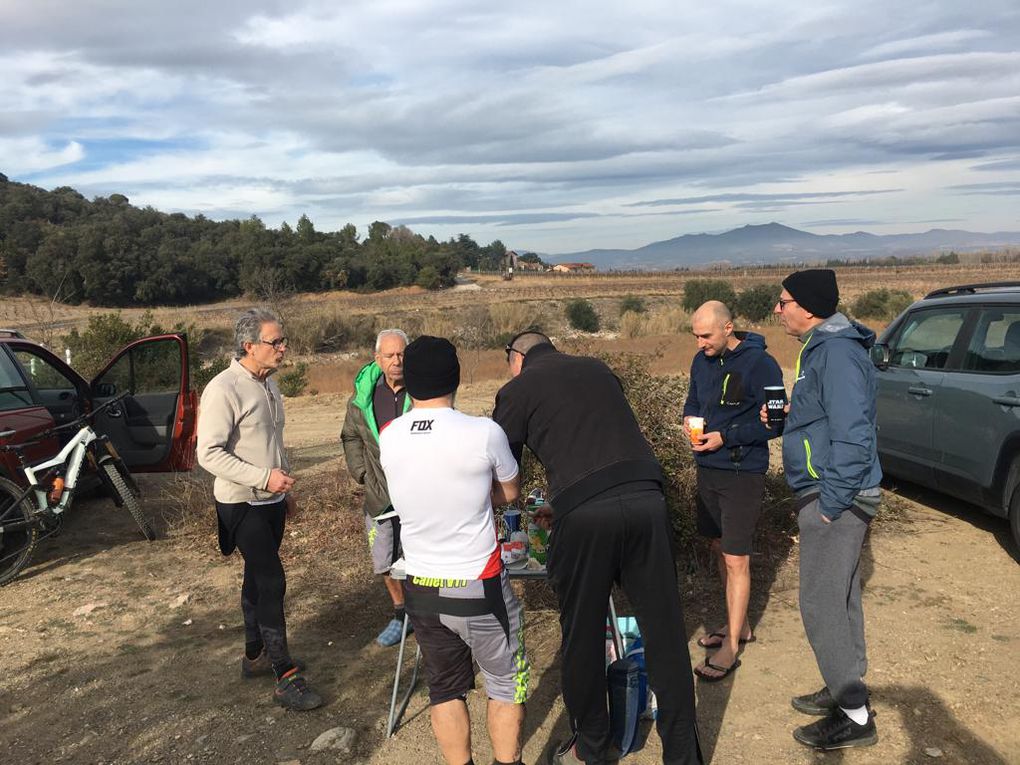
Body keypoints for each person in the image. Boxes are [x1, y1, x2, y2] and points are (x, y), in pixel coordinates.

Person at [493, 331, 702, 765]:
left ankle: (591, 748)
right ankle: (684, 755)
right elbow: (600, 441)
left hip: (586, 518)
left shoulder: (517, 389)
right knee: (665, 632)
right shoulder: (597, 369)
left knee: (583, 635)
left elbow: (503, 472)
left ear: (516, 358)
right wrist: (563, 498)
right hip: (647, 498)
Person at [379, 336, 527, 765]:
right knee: (505, 682)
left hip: (420, 583)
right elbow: (510, 491)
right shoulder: (484, 432)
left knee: (444, 688)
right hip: (478, 584)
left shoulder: (391, 436)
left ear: (409, 381)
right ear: (456, 378)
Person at [767, 270, 882, 750]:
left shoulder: (834, 353)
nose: (778, 309)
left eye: (784, 301)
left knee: (819, 603)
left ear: (809, 306)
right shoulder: (824, 346)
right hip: (834, 491)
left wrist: (830, 506)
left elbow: (854, 435)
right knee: (842, 598)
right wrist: (793, 415)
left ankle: (855, 717)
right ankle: (844, 690)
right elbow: (831, 417)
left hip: (836, 494)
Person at [197, 307, 322, 711]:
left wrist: (282, 485)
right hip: (239, 502)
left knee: (256, 577)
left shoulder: (269, 385)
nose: (284, 348)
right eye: (276, 341)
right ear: (249, 346)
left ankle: (255, 655)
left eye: (283, 340)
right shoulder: (224, 388)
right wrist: (261, 478)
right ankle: (285, 676)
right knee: (272, 581)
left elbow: (273, 446)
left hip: (271, 500)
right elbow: (208, 453)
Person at [683, 301, 784, 681]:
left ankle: (732, 648)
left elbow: (775, 425)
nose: (699, 343)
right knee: (718, 548)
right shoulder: (701, 361)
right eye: (695, 336)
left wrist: (727, 436)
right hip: (707, 470)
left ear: (728, 329)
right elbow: (693, 400)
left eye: (706, 336)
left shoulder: (762, 365)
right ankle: (736, 624)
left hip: (743, 473)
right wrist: (688, 422)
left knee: (736, 558)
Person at [340, 328, 413, 646]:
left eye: (402, 354)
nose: (397, 361)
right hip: (379, 493)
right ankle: (400, 614)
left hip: (418, 491)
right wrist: (360, 472)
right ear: (377, 359)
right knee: (384, 558)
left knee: (421, 554)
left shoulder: (423, 390)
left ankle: (424, 613)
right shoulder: (363, 397)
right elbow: (350, 435)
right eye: (390, 355)